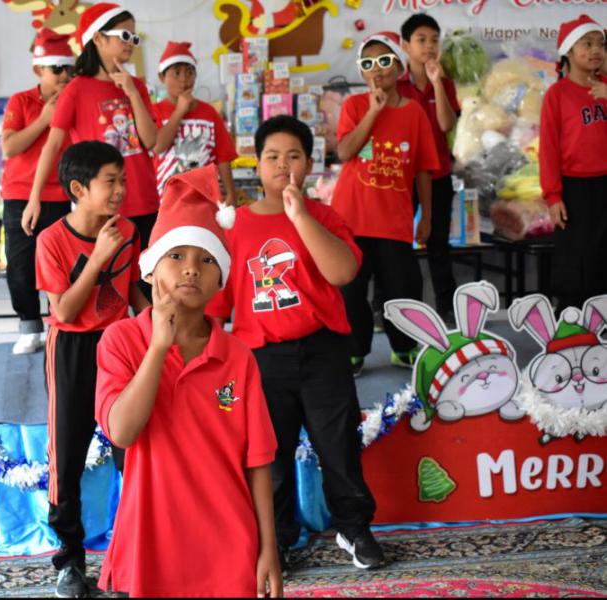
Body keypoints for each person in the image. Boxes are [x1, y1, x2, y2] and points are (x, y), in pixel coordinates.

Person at [206, 116, 384, 571]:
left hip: (323, 351)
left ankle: (353, 528)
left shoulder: (323, 216)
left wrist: (300, 215)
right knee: (271, 455)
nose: (283, 165)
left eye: (293, 156)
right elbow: (218, 305)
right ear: (257, 165)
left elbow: (343, 272)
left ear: (309, 164)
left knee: (338, 446)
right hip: (262, 359)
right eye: (272, 156)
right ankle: (278, 539)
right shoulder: (235, 226)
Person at [96, 164, 282, 597]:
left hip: (229, 544)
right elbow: (122, 432)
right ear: (150, 270)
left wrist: (268, 547)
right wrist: (158, 348)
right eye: (176, 256)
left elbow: (257, 461)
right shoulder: (121, 341)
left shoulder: (237, 356)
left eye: (206, 259)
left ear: (222, 279)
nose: (192, 269)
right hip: (150, 542)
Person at [35, 140, 149, 597]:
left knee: (133, 450)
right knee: (66, 457)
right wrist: (99, 257)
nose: (120, 190)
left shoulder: (129, 231)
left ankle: (136, 552)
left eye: (123, 180)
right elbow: (63, 310)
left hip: (119, 345)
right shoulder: (51, 240)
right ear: (79, 189)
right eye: (110, 182)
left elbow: (133, 288)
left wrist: (155, 324)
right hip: (71, 350)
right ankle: (69, 561)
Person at [334, 32, 440, 376]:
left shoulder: (414, 113)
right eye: (368, 64)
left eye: (383, 61)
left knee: (402, 288)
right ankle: (353, 352)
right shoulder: (353, 106)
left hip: (395, 221)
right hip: (351, 218)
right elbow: (345, 151)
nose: (376, 69)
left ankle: (404, 347)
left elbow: (423, 169)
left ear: (398, 66)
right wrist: (373, 112)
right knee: (350, 291)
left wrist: (427, 216)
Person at [25, 3, 160, 253]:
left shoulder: (136, 87)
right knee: (108, 273)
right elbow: (52, 146)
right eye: (124, 35)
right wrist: (34, 198)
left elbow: (151, 141)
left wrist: (132, 92)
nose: (130, 43)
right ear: (98, 38)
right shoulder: (75, 90)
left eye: (134, 37)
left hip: (143, 199)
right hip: (100, 207)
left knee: (145, 273)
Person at [1, 29, 76, 355]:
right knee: (21, 265)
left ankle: (58, 323)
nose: (64, 75)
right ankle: (29, 327)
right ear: (38, 70)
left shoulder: (75, 100)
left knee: (62, 267)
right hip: (20, 195)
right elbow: (9, 147)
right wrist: (45, 118)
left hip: (63, 197)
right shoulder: (21, 101)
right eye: (56, 69)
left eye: (69, 68)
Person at [540, 14, 607, 310]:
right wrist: (553, 195)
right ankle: (572, 316)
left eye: (600, 44)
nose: (596, 50)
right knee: (577, 257)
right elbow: (548, 149)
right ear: (568, 50)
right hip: (574, 188)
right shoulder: (557, 94)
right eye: (587, 44)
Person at [398, 14, 461, 320]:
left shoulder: (445, 83)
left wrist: (436, 82)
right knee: (396, 243)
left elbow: (447, 124)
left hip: (438, 174)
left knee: (438, 243)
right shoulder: (396, 85)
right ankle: (387, 305)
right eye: (421, 40)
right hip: (401, 177)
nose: (429, 46)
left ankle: (446, 307)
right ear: (405, 45)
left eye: (434, 40)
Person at [152, 41, 238, 203]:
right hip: (166, 200)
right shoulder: (154, 111)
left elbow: (223, 156)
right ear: (162, 77)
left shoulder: (209, 112)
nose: (184, 80)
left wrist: (230, 193)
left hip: (205, 198)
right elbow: (158, 146)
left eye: (190, 73)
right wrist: (179, 111)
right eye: (176, 73)